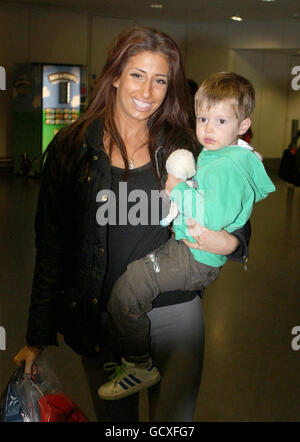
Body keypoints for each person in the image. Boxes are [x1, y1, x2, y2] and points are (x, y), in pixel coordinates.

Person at [14, 27, 251, 422]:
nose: (147, 91)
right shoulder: (73, 147)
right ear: (116, 76)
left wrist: (234, 242)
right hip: (103, 318)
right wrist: (37, 337)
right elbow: (51, 243)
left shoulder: (186, 144)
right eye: (137, 75)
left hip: (176, 315)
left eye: (160, 80)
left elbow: (235, 198)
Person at [97, 72, 275, 401]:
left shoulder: (225, 163)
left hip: (193, 256)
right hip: (187, 249)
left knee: (130, 288)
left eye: (221, 120)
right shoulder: (219, 152)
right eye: (203, 118)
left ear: (243, 125)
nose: (208, 129)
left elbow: (213, 216)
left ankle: (138, 363)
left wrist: (178, 188)